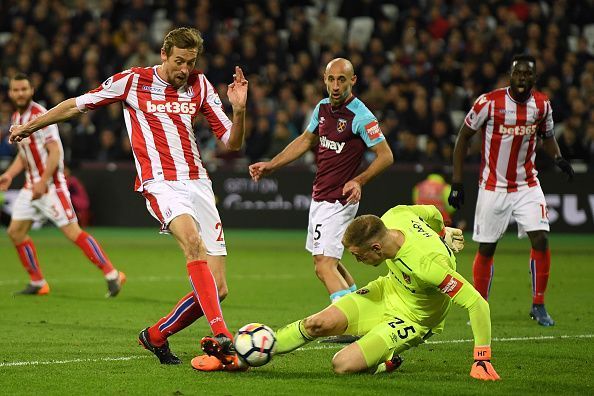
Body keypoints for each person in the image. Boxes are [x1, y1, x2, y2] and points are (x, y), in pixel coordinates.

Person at [9, 28, 249, 367]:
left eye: (190, 62)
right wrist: (30, 126)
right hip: (160, 183)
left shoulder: (201, 85)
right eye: (179, 61)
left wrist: (239, 112)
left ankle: (156, 335)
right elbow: (76, 106)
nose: (184, 69)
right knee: (192, 244)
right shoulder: (132, 81)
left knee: (219, 288)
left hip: (199, 183)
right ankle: (221, 333)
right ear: (163, 55)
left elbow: (232, 142)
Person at [198, 205, 499, 379]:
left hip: (416, 318)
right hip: (387, 291)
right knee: (318, 324)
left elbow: (477, 303)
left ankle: (387, 359)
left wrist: (481, 358)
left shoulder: (427, 266)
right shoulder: (394, 215)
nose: (355, 261)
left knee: (342, 365)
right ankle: (239, 358)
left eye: (358, 255)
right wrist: (443, 229)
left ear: (376, 247)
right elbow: (432, 212)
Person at [249, 58, 393, 329]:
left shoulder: (361, 116)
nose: (335, 85)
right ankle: (361, 315)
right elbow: (306, 140)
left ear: (353, 81)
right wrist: (271, 165)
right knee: (332, 264)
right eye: (330, 79)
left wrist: (359, 180)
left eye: (341, 80)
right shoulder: (323, 108)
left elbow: (386, 156)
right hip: (320, 197)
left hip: (339, 200)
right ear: (324, 80)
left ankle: (347, 324)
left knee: (323, 265)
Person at [447, 54, 575, 327]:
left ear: (534, 78)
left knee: (540, 238)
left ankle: (538, 305)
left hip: (528, 184)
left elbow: (548, 137)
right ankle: (481, 306)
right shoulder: (488, 103)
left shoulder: (542, 105)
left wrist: (558, 158)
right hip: (493, 186)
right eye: (518, 74)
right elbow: (463, 139)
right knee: (487, 247)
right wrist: (457, 183)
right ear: (510, 75)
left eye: (528, 75)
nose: (522, 79)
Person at [0, 73, 126, 297]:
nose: (20, 93)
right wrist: (9, 174)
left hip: (50, 187)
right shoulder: (18, 116)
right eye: (15, 90)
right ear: (10, 93)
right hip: (32, 187)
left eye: (23, 89)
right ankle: (38, 283)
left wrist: (43, 180)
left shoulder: (41, 115)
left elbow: (55, 151)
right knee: (15, 232)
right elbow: (24, 154)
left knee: (72, 232)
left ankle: (112, 274)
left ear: (31, 91)